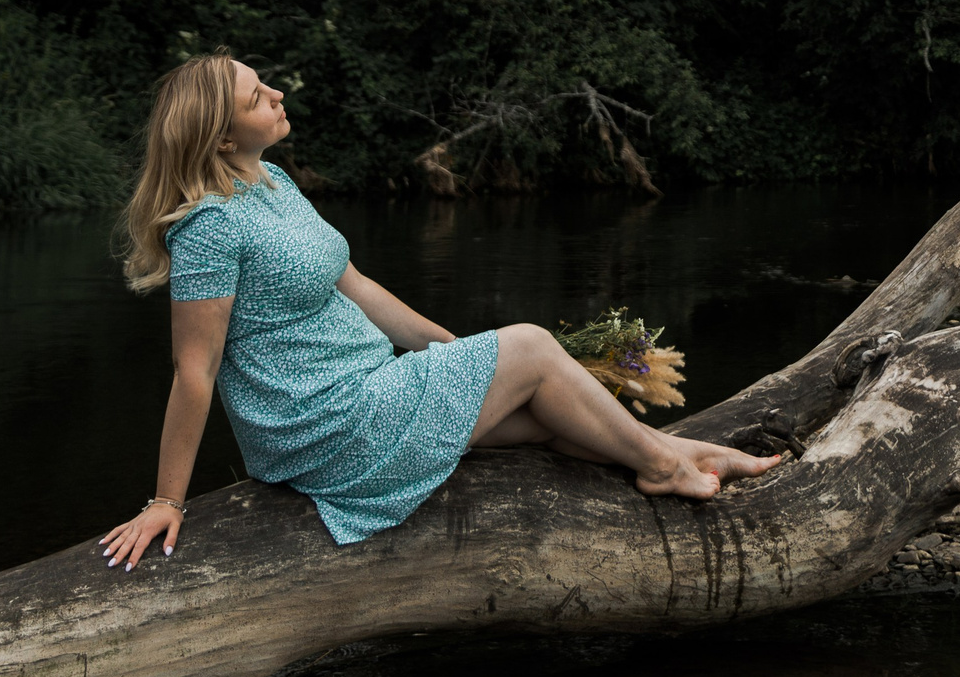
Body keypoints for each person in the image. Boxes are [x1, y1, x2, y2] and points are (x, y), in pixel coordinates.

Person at [96, 52, 776, 571]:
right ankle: (665, 466)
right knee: (535, 345)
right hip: (322, 426)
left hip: (364, 391)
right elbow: (195, 370)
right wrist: (166, 500)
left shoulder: (271, 180)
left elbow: (357, 284)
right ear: (219, 139)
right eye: (256, 95)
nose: (276, 93)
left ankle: (685, 450)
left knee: (540, 410)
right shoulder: (209, 227)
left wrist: (457, 355)